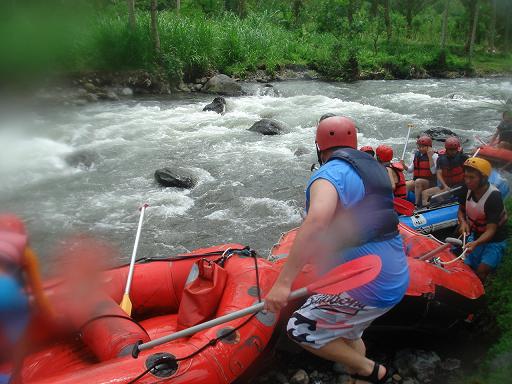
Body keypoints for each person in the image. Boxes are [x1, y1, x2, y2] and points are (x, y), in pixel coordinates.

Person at [264, 116, 409, 384]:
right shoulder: (377, 169)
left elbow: (317, 221)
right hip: (392, 272)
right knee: (349, 333)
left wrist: (284, 283)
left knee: (299, 327)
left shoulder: (328, 174)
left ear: (320, 146)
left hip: (370, 283)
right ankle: (363, 376)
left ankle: (371, 370)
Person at [0, 214, 51, 383]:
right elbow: (40, 299)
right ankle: (16, 378)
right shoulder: (26, 252)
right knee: (19, 335)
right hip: (8, 292)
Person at [458, 158, 508, 282]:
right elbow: (461, 210)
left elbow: (491, 230)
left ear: (484, 178)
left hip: (495, 240)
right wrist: (463, 222)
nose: (467, 181)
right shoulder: (466, 189)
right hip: (476, 235)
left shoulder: (493, 197)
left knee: (481, 271)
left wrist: (475, 244)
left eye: (472, 177)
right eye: (466, 176)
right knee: (465, 267)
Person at [421, 137, 468, 206]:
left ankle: (445, 206)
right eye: (451, 150)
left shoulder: (462, 157)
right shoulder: (441, 159)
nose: (453, 151)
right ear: (447, 149)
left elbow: (469, 170)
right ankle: (425, 209)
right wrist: (445, 186)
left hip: (459, 186)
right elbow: (439, 174)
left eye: (454, 149)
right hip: (447, 186)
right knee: (424, 193)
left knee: (438, 195)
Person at [402, 135, 438, 208]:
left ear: (429, 147)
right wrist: (404, 165)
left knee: (418, 181)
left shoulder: (435, 156)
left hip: (431, 182)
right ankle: (403, 204)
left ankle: (416, 205)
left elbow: (434, 171)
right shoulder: (417, 155)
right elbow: (410, 170)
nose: (420, 148)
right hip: (419, 181)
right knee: (405, 184)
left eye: (423, 146)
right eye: (419, 146)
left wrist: (430, 157)